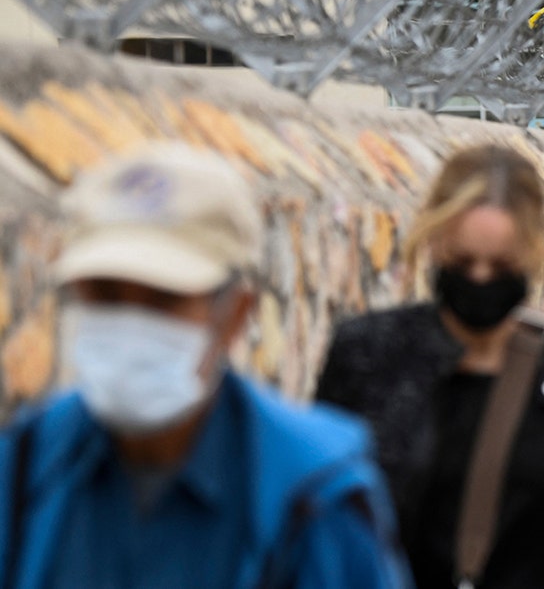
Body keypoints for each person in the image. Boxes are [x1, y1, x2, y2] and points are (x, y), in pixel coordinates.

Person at [0, 144, 410, 588]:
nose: (133, 326)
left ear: (234, 314)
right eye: (107, 294)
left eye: (164, 298)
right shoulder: (29, 464)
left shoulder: (310, 496)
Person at [316, 145, 544, 589]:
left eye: (502, 265)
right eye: (463, 261)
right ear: (434, 242)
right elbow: (322, 526)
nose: (480, 278)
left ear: (533, 251)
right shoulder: (371, 356)